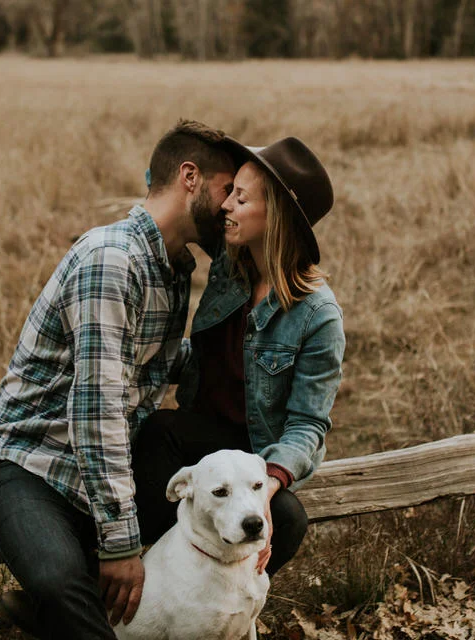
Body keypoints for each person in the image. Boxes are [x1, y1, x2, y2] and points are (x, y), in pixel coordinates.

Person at [0, 120, 241, 639]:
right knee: (59, 582)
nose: (231, 205)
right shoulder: (112, 260)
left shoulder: (173, 266)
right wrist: (120, 544)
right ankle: (64, 612)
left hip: (113, 465)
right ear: (190, 177)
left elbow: (157, 362)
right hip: (35, 466)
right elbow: (97, 411)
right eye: (227, 189)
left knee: (275, 516)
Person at [132, 136, 345, 578]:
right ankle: (142, 577)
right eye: (230, 192)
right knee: (157, 432)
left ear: (276, 217)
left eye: (241, 198)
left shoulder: (318, 315)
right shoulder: (230, 267)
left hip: (256, 454)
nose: (226, 205)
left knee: (287, 519)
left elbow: (308, 424)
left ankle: (220, 596)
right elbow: (177, 203)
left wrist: (267, 486)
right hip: (202, 438)